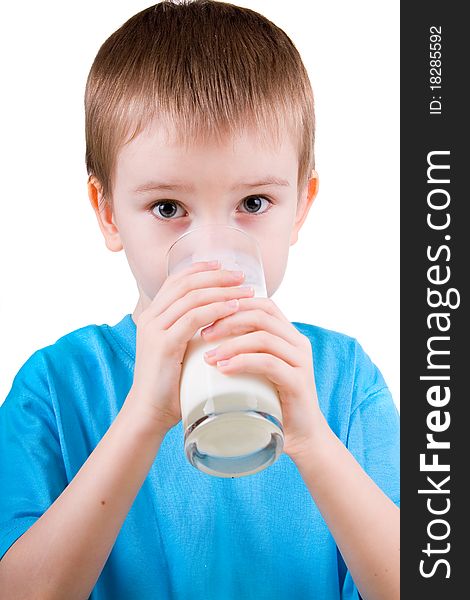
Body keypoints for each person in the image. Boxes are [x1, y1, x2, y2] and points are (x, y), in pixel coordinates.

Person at [0, 1, 399, 598]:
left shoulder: (342, 384)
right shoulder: (57, 388)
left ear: (301, 206)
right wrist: (143, 415)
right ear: (109, 214)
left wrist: (313, 440)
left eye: (254, 203)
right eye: (168, 209)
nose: (211, 254)